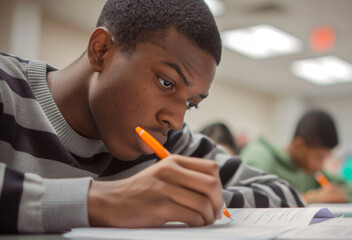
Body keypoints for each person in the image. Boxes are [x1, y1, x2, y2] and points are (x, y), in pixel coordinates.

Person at [0, 0, 305, 234]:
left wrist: (184, 198)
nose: (174, 118)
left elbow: (285, 195)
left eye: (191, 103)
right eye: (166, 82)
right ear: (101, 50)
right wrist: (105, 202)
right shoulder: (5, 88)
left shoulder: (172, 141)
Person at [240, 110, 352, 204]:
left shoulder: (314, 173)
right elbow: (250, 200)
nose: (321, 165)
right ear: (299, 146)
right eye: (319, 157)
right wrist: (311, 198)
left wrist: (339, 195)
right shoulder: (260, 156)